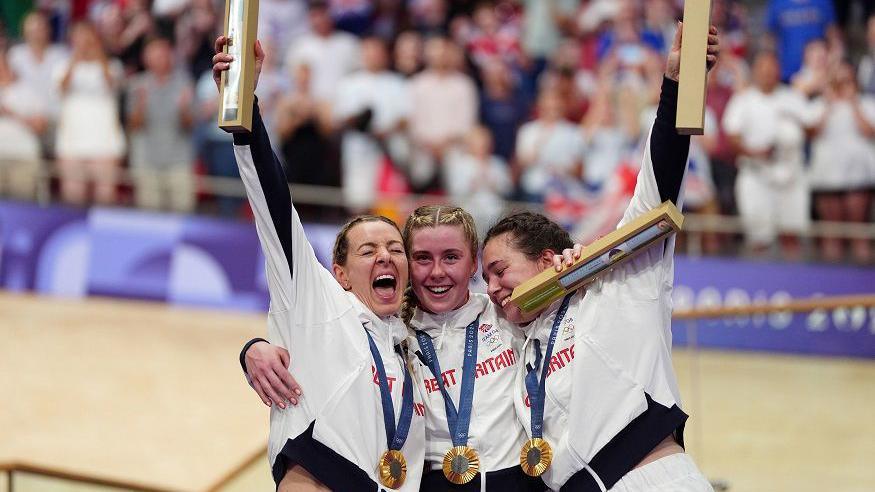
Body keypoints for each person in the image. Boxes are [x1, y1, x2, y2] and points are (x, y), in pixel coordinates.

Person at [478, 23, 719, 491]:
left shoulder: (619, 283)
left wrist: (674, 85)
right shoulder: (512, 346)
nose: (491, 288)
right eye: (486, 278)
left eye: (500, 270)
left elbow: (657, 195)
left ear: (550, 258)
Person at [213, 37, 425, 491]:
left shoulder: (421, 339)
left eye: (394, 248)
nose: (385, 255)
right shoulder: (317, 299)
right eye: (368, 251)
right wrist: (244, 104)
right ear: (341, 274)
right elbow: (272, 201)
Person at [722, 50, 817, 258]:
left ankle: (794, 285)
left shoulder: (792, 97)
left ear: (778, 70)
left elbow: (812, 128)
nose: (767, 73)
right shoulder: (744, 99)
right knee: (759, 238)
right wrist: (755, 152)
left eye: (771, 68)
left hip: (790, 173)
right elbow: (732, 135)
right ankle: (762, 283)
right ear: (755, 71)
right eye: (762, 69)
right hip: (756, 173)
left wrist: (794, 124)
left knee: (791, 235)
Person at [807, 62, 875, 263]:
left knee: (858, 233)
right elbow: (811, 132)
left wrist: (853, 102)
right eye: (838, 80)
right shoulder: (820, 104)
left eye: (846, 80)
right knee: (831, 233)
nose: (842, 84)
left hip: (858, 176)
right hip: (826, 176)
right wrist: (828, 104)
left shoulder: (867, 103)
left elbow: (869, 131)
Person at [54, 21, 126, 206]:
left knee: (105, 197)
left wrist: (99, 55)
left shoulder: (112, 65)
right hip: (72, 140)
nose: (84, 41)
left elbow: (113, 85)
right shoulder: (62, 65)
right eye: (78, 37)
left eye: (88, 36)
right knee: (72, 196)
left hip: (105, 140)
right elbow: (61, 88)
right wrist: (75, 58)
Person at [126, 36, 196, 213]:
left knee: (184, 212)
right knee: (149, 216)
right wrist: (141, 105)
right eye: (154, 55)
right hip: (146, 159)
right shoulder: (137, 85)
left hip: (178, 159)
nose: (159, 59)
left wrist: (184, 109)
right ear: (146, 59)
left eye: (163, 54)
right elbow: (133, 126)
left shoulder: (184, 83)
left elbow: (190, 125)